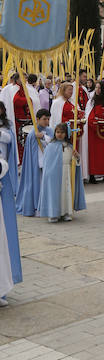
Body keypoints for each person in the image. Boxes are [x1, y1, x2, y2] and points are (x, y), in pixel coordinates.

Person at [37, 123, 86, 223]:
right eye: (57, 132)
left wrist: (77, 156)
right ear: (55, 133)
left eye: (62, 132)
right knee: (54, 193)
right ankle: (53, 214)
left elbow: (75, 163)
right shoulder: (50, 146)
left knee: (66, 193)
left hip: (66, 172)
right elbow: (47, 164)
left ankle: (66, 213)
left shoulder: (70, 146)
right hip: (53, 175)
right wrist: (49, 174)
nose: (59, 134)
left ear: (66, 134)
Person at [0, 105, 21, 304]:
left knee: (3, 236)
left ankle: (2, 288)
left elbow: (8, 153)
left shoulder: (6, 129)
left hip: (3, 181)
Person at [16, 109, 52, 216]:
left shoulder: (49, 131)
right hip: (36, 164)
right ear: (37, 119)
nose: (46, 121)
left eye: (48, 119)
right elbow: (31, 152)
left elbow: (54, 143)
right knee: (37, 185)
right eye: (44, 119)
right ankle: (36, 207)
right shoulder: (32, 134)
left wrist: (44, 138)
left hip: (47, 162)